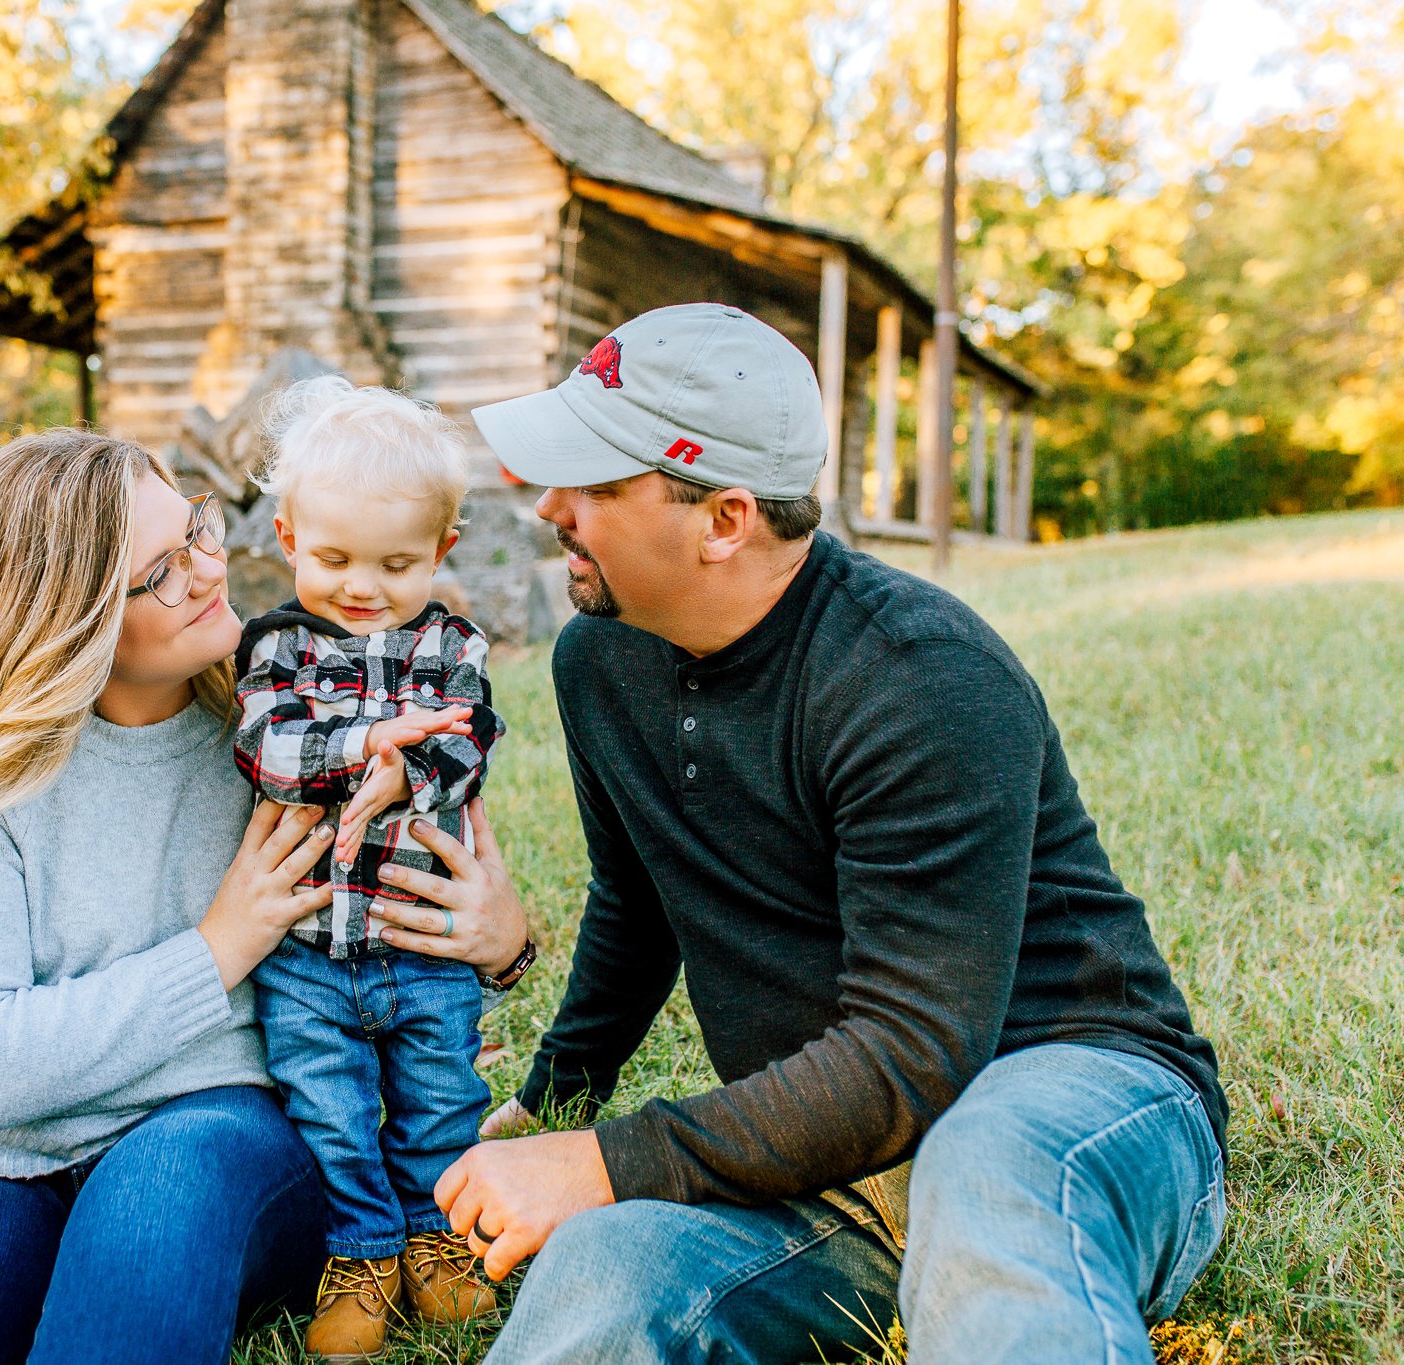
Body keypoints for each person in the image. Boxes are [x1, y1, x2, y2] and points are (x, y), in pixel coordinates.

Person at [416, 302, 1225, 1364]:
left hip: (1060, 1105)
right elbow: (637, 904)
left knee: (980, 1166)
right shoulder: (599, 659)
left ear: (723, 521)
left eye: (595, 485)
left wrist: (609, 1160)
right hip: (825, 1162)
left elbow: (912, 1049)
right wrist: (553, 1101)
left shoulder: (919, 675)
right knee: (599, 1269)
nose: (548, 508)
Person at [0, 429, 529, 1364]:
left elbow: (404, 925)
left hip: (216, 1123)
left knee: (150, 1233)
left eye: (195, 529)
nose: (207, 569)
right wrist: (216, 949)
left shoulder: (292, 724)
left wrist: (503, 946)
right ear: (68, 619)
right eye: (160, 571)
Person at [233, 378, 509, 1362]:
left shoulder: (449, 645)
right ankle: (360, 1252)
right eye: (334, 557)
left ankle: (438, 1241)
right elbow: (267, 749)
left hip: (418, 942)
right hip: (306, 955)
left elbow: (469, 742)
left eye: (395, 563)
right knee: (330, 1109)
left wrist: (413, 765)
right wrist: (365, 744)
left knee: (440, 1097)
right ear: (286, 538)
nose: (362, 585)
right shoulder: (275, 649)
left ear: (439, 550)